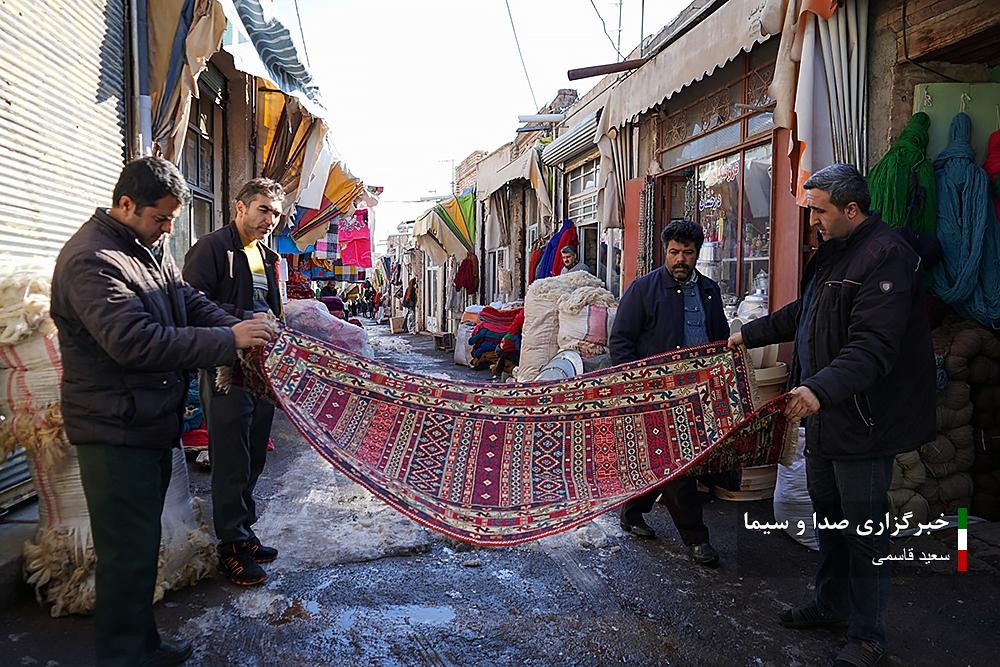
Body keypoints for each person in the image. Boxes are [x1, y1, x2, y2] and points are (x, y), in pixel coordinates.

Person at [50, 157, 275, 666]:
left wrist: (241, 332)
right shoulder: (93, 259)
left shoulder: (147, 250)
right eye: (162, 217)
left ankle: (142, 644)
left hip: (146, 422)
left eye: (175, 218)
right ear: (126, 204)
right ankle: (122, 654)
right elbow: (133, 342)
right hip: (113, 428)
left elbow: (189, 302)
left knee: (139, 546)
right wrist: (226, 339)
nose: (170, 227)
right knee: (125, 552)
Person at [728, 164, 935, 666]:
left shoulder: (886, 257)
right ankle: (831, 605)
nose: (813, 219)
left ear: (850, 208)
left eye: (819, 210)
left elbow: (873, 347)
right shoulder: (836, 252)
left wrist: (819, 388)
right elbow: (807, 313)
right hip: (826, 416)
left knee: (864, 530)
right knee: (830, 518)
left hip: (863, 419)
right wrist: (748, 335)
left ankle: (868, 634)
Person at [184, 178, 286, 587]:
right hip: (226, 368)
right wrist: (243, 317)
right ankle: (230, 547)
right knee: (230, 457)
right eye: (263, 210)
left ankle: (244, 530)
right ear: (239, 208)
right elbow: (191, 303)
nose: (269, 220)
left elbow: (270, 307)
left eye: (276, 214)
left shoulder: (267, 254)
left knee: (256, 451)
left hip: (262, 370)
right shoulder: (211, 248)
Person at [608, 219, 728, 567]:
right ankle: (697, 539)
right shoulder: (643, 290)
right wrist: (637, 387)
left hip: (699, 395)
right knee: (678, 465)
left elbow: (719, 339)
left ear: (697, 253)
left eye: (687, 253)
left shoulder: (709, 291)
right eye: (674, 252)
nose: (680, 259)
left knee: (667, 464)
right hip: (657, 396)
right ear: (665, 251)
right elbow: (621, 341)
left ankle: (632, 511)